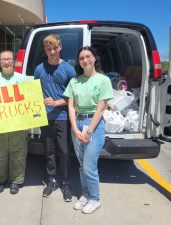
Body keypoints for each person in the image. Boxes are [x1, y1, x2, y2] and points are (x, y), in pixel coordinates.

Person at [64, 46, 114, 214]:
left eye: (88, 56)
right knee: (81, 164)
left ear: (94, 58)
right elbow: (71, 106)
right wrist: (75, 128)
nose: (85, 60)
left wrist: (89, 131)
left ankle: (95, 198)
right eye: (81, 58)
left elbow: (101, 108)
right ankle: (85, 194)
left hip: (94, 124)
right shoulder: (74, 81)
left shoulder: (103, 80)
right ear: (79, 62)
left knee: (89, 166)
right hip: (77, 123)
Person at [34, 34, 76, 202]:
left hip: (63, 116)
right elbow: (34, 91)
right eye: (48, 48)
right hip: (46, 117)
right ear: (45, 50)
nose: (52, 51)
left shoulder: (69, 69)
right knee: (49, 150)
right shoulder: (39, 69)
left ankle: (66, 182)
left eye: (55, 48)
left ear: (60, 47)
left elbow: (74, 95)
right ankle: (51, 180)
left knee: (64, 151)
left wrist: (57, 102)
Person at [0, 50, 28, 194]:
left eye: (9, 59)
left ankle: (16, 180)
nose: (6, 62)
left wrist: (27, 123)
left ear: (14, 61)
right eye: (3, 59)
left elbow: (28, 101)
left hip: (18, 125)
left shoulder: (23, 79)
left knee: (18, 154)